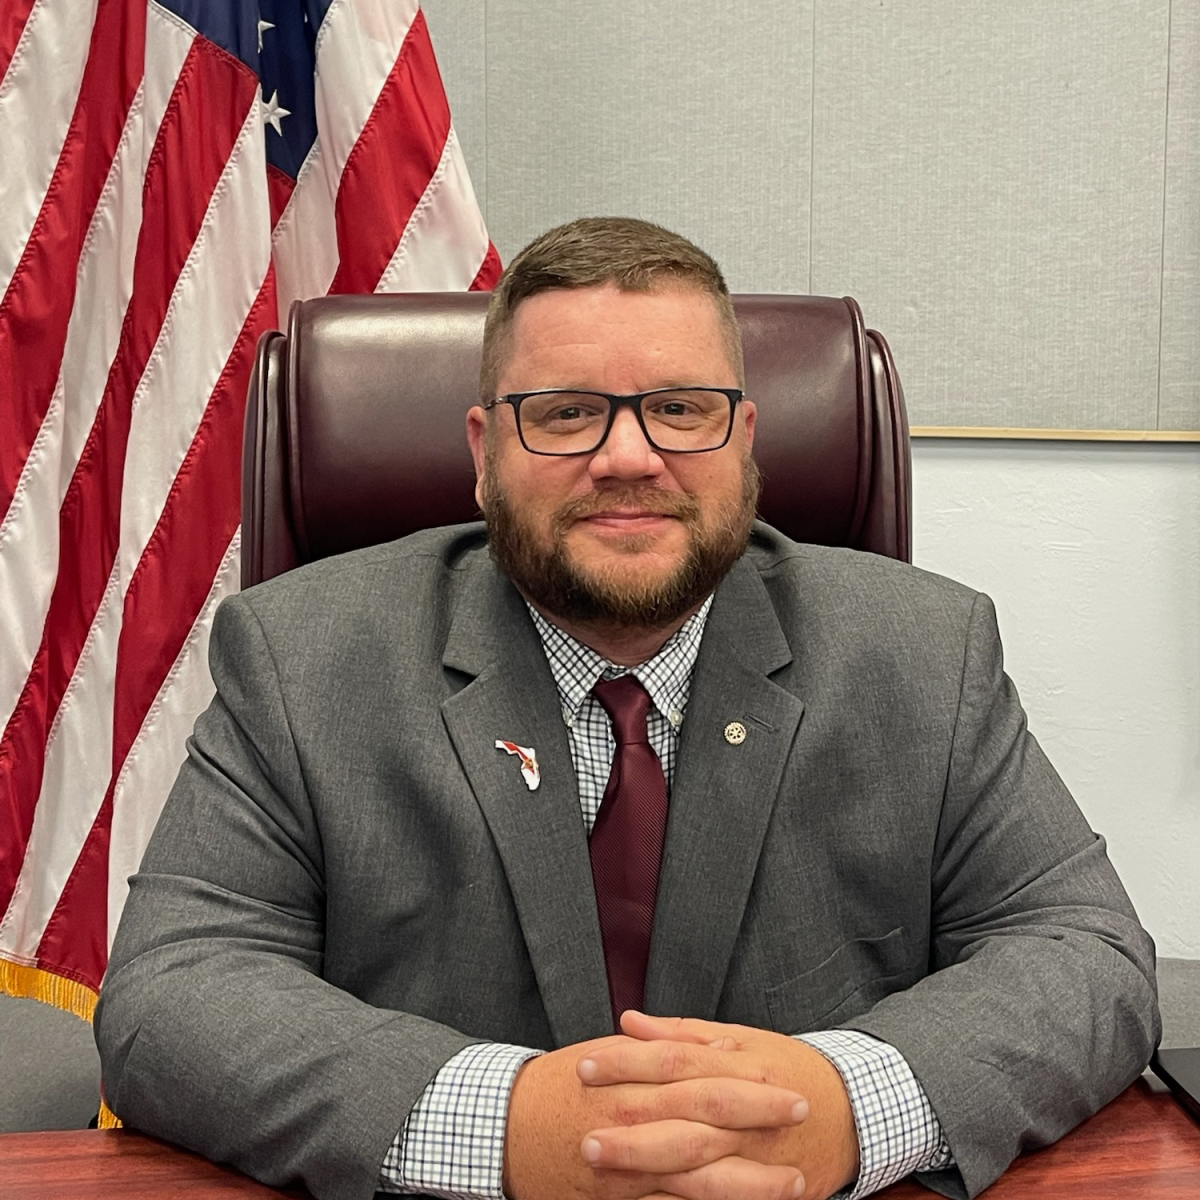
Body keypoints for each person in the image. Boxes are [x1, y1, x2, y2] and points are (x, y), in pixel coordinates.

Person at [94, 217, 1160, 1200]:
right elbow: (174, 993)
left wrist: (840, 1109)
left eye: (680, 410)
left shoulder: (924, 652)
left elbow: (1082, 950)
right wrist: (510, 1128)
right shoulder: (303, 655)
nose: (628, 458)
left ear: (746, 439)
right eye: (564, 414)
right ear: (482, 454)